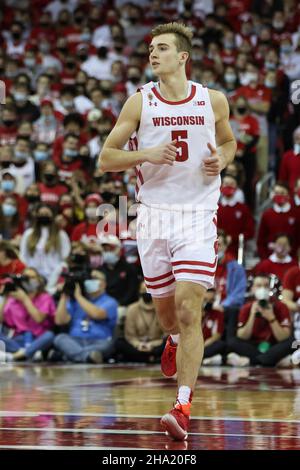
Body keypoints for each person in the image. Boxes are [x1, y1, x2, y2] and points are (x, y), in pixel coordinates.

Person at [99, 22, 236, 441]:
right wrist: (148, 152)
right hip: (154, 216)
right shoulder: (140, 102)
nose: (152, 54)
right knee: (166, 314)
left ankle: (183, 404)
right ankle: (173, 338)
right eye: (150, 49)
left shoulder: (213, 100)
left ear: (182, 57)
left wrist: (222, 162)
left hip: (197, 215)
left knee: (190, 306)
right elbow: (107, 158)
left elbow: (229, 143)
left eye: (161, 48)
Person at [53, 270, 118, 363]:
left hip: (99, 341)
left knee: (108, 345)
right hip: (75, 340)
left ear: (104, 284)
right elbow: (59, 321)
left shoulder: (110, 301)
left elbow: (97, 314)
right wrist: (64, 295)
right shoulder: (74, 301)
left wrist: (79, 297)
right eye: (89, 279)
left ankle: (73, 355)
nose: (90, 281)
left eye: (94, 278)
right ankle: (87, 356)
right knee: (60, 338)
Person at [227, 275, 292, 367]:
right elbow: (242, 336)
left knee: (292, 343)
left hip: (273, 345)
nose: (263, 289)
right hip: (253, 345)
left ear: (270, 288)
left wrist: (271, 318)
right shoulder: (247, 307)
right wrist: (252, 315)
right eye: (259, 286)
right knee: (232, 342)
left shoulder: (281, 306)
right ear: (253, 289)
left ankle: (252, 361)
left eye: (266, 286)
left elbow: (284, 337)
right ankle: (271, 360)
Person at [0, 267, 55, 361]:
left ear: (39, 279)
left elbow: (39, 319)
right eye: (26, 277)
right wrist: (5, 297)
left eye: (32, 277)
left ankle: (16, 355)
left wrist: (25, 299)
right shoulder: (14, 298)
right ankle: (29, 352)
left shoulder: (45, 297)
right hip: (19, 339)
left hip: (38, 337)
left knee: (50, 336)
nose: (29, 280)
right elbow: (1, 320)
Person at [116, 281, 165, 363]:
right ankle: (150, 358)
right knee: (119, 344)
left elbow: (166, 334)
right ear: (139, 292)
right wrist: (138, 344)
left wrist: (152, 345)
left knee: (169, 343)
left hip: (156, 345)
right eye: (143, 291)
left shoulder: (162, 308)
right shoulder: (132, 309)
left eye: (148, 291)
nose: (146, 293)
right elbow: (130, 335)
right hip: (137, 345)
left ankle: (147, 357)